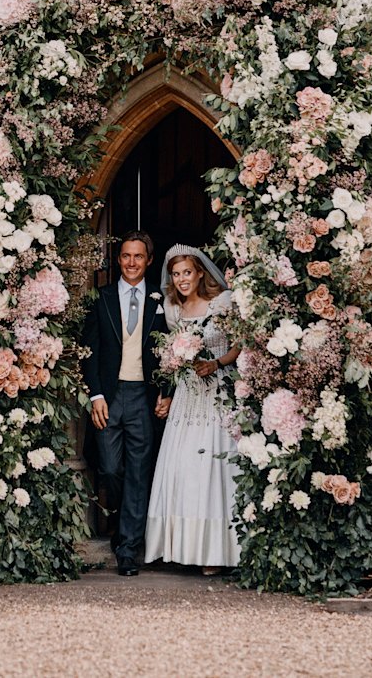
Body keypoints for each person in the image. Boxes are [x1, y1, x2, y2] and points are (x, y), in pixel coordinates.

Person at [144, 244, 241, 574]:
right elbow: (173, 360)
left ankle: (215, 553)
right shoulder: (173, 309)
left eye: (187, 272)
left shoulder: (222, 302)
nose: (182, 279)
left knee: (213, 469)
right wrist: (167, 393)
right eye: (176, 274)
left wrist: (216, 363)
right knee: (183, 467)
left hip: (217, 392)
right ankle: (182, 547)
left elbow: (239, 344)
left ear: (200, 272)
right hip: (187, 396)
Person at [82, 231, 170, 577]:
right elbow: (89, 350)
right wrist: (95, 395)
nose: (131, 263)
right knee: (109, 468)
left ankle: (129, 549)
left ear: (149, 260)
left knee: (138, 472)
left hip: (143, 397)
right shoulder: (101, 298)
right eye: (125, 256)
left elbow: (170, 353)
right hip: (109, 394)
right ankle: (121, 522)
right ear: (118, 260)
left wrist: (166, 391)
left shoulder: (160, 301)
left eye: (138, 256)